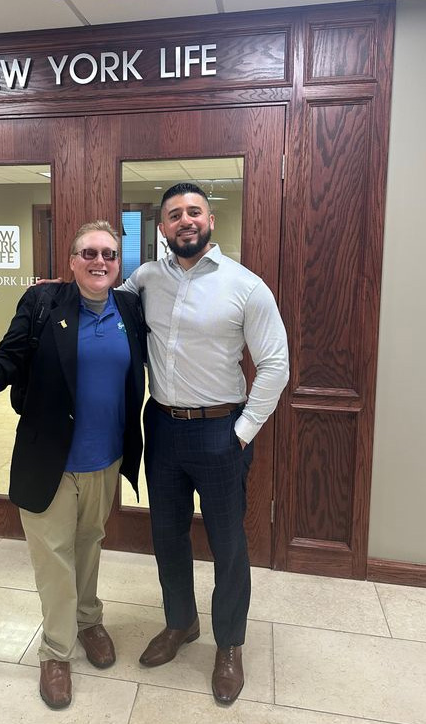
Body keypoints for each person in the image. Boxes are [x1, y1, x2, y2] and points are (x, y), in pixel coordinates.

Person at [0, 220, 146, 710]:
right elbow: (11, 358)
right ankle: (56, 652)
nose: (99, 261)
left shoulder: (130, 307)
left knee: (90, 545)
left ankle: (90, 620)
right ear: (71, 262)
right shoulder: (43, 304)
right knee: (54, 561)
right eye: (88, 252)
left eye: (109, 253)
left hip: (104, 459)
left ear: (118, 262)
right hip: (49, 459)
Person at [120, 182, 289, 706]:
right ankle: (180, 623)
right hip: (163, 429)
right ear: (163, 228)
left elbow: (276, 365)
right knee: (167, 536)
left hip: (221, 431)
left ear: (210, 221)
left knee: (228, 545)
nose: (184, 221)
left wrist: (240, 433)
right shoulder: (145, 278)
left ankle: (230, 645)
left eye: (194, 211)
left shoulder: (246, 286)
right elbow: (101, 307)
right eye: (174, 215)